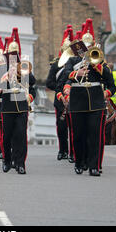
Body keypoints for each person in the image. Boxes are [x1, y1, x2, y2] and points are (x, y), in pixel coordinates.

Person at [64, 19, 116, 177]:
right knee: (78, 135)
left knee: (95, 135)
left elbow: (111, 85)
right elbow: (65, 76)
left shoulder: (99, 61)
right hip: (78, 101)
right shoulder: (73, 60)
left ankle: (94, 166)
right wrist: (76, 73)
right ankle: (80, 162)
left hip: (95, 102)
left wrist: (96, 65)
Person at [0, 28, 36, 175]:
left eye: (15, 54)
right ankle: (7, 160)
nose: (13, 57)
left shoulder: (23, 66)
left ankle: (20, 163)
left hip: (21, 103)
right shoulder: (1, 68)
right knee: (7, 136)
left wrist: (21, 72)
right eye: (11, 54)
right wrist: (7, 74)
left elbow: (32, 82)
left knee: (20, 135)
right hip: (7, 103)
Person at [46, 26, 74, 161]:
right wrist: (60, 89)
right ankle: (62, 150)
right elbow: (49, 82)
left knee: (75, 127)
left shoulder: (76, 63)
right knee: (62, 127)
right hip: (60, 100)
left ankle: (73, 152)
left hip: (75, 98)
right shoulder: (56, 65)